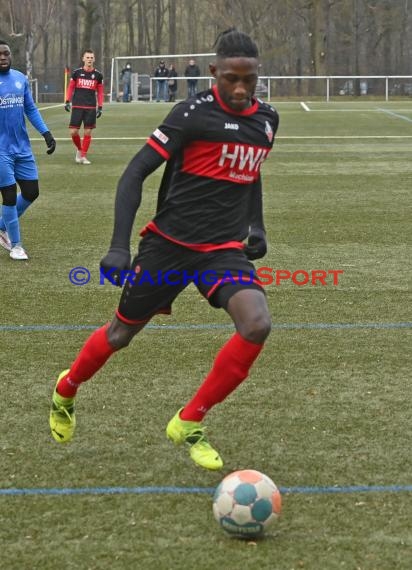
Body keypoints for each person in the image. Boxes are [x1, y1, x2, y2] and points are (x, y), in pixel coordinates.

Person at [49, 29, 279, 472]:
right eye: (230, 78)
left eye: (247, 80)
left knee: (256, 324)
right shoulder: (191, 114)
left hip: (222, 251)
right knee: (120, 335)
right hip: (168, 248)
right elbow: (134, 173)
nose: (239, 88)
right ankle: (67, 389)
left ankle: (189, 421)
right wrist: (118, 246)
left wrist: (257, 224)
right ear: (214, 73)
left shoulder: (267, 120)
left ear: (256, 76)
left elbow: (252, 171)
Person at [0, 40, 56, 261]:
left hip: (22, 148)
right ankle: (16, 246)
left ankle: (2, 225)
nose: (2, 57)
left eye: (6, 53)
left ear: (11, 56)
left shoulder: (20, 79)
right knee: (10, 196)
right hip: (1, 150)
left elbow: (30, 109)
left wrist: (46, 133)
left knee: (32, 192)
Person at [65, 49, 104, 165]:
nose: (89, 60)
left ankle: (83, 156)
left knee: (87, 132)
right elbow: (71, 87)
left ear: (94, 59)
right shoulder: (76, 73)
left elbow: (100, 92)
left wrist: (100, 106)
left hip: (91, 107)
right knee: (73, 132)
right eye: (87, 57)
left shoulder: (98, 75)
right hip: (77, 106)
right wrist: (67, 100)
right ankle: (80, 149)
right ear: (83, 59)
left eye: (91, 58)